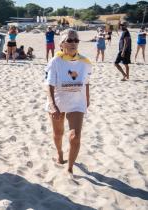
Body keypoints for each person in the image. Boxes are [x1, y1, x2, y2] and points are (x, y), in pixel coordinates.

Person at [45, 29, 92, 175]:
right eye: (70, 40)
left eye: (76, 40)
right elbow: (49, 85)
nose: (73, 43)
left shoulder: (85, 62)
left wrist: (87, 100)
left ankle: (70, 168)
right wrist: (53, 106)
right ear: (62, 44)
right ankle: (59, 153)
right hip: (58, 102)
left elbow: (87, 82)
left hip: (77, 103)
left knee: (75, 137)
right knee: (58, 133)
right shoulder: (55, 62)